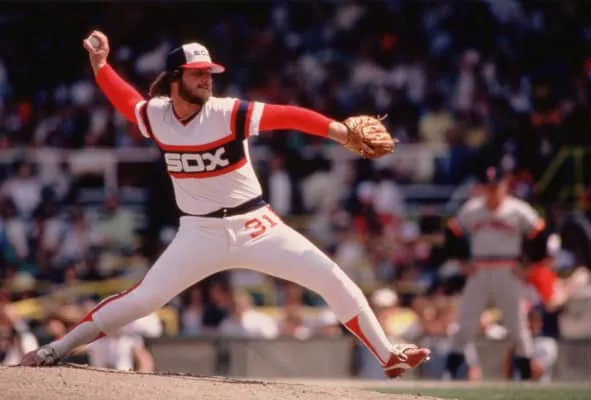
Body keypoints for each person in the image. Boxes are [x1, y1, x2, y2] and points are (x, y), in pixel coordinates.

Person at [19, 30, 430, 378]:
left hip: (257, 226)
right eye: (197, 73)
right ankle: (56, 349)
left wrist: (339, 131)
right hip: (198, 232)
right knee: (142, 301)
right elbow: (128, 104)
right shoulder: (157, 116)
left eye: (209, 73)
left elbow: (289, 115)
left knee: (331, 277)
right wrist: (101, 66)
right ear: (175, 78)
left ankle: (387, 355)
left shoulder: (227, 113)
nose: (207, 80)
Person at [443, 166, 548, 380]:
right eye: (488, 187)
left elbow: (540, 234)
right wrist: (460, 262)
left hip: (508, 269)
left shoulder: (518, 210)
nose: (492, 191)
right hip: (479, 269)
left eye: (496, 186)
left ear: (505, 186)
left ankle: (525, 375)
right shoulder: (472, 209)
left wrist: (530, 265)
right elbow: (452, 233)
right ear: (483, 188)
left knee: (517, 326)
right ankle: (451, 373)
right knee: (465, 323)